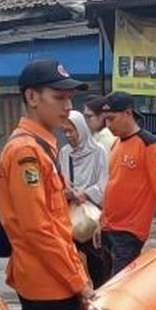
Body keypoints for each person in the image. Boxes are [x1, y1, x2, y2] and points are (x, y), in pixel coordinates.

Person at [0, 59, 92, 310]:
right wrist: (78, 281)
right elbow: (39, 229)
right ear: (31, 97)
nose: (66, 106)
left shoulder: (40, 147)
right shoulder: (27, 154)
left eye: (69, 97)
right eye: (58, 97)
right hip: (48, 281)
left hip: (36, 277)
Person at [100, 91, 156, 275]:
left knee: (119, 288)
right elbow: (112, 184)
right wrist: (100, 221)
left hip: (129, 231)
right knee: (105, 286)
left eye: (111, 119)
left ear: (127, 113)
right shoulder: (116, 144)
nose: (108, 125)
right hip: (108, 227)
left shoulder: (149, 144)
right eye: (105, 120)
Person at [61, 109, 111, 288]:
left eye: (71, 131)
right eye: (65, 131)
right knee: (75, 261)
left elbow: (104, 184)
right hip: (72, 216)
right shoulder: (65, 153)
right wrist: (66, 192)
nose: (68, 135)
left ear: (81, 129)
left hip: (93, 217)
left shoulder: (99, 152)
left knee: (98, 262)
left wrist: (85, 193)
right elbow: (61, 179)